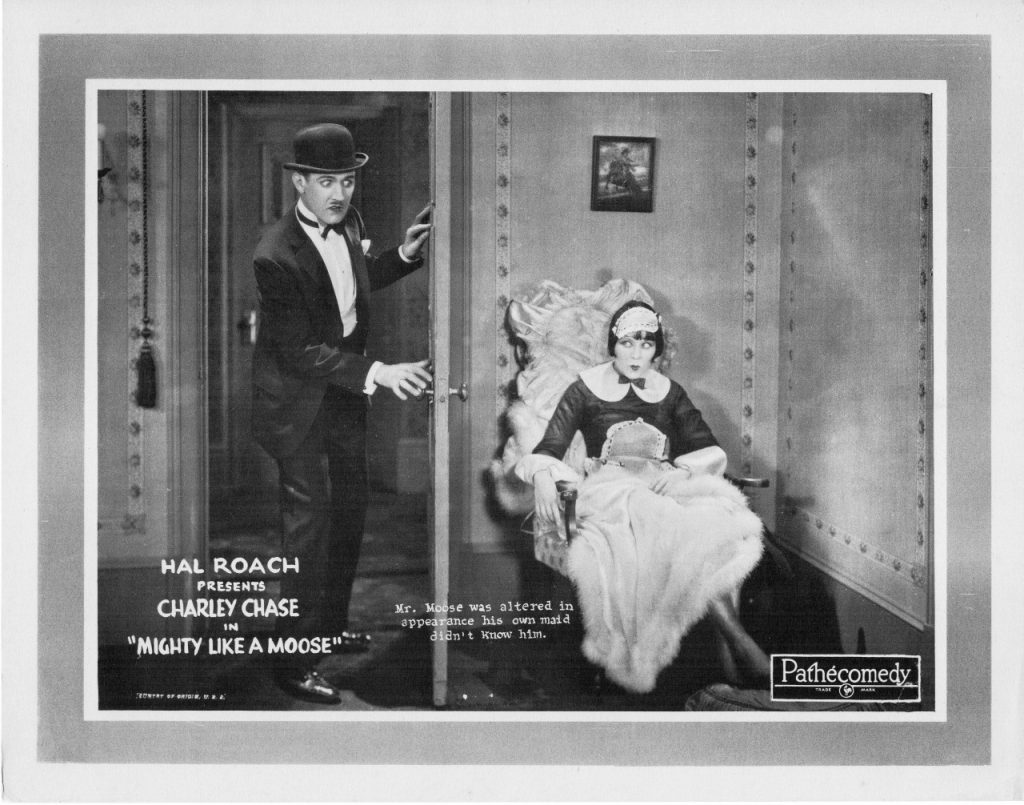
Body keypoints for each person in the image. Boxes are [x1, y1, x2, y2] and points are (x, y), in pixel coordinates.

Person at [251, 123, 432, 704]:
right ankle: (291, 659)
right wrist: (379, 372)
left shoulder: (348, 224)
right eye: (326, 182)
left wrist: (403, 256)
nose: (339, 193)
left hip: (343, 395)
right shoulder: (274, 254)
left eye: (347, 181)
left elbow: (353, 281)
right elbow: (299, 350)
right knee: (310, 531)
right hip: (298, 404)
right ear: (299, 182)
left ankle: (324, 632)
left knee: (349, 516)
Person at [514, 300, 770, 693]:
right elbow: (548, 448)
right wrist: (545, 475)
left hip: (663, 483)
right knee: (668, 525)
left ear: (657, 351)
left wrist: (684, 470)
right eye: (628, 344)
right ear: (613, 346)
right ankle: (741, 644)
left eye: (646, 345)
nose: (636, 355)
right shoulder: (584, 388)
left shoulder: (670, 392)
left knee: (713, 526)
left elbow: (706, 446)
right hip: (609, 489)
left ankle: (731, 652)